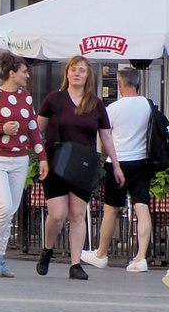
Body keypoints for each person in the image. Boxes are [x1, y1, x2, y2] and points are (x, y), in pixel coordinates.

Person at [38, 55, 120, 279]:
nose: (77, 74)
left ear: (88, 76)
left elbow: (106, 137)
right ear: (67, 73)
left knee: (77, 214)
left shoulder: (95, 104)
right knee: (57, 214)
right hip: (56, 162)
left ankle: (75, 264)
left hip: (82, 165)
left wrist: (116, 165)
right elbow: (37, 130)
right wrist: (40, 157)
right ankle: (48, 249)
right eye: (73, 70)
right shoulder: (54, 99)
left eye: (82, 71)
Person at [0, 53, 48, 278]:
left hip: (20, 159)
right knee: (3, 206)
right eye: (24, 71)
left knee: (11, 209)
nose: (28, 75)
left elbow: (33, 129)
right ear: (12, 73)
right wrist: (0, 129)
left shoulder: (26, 97)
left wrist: (42, 157)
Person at [84, 66, 153, 273]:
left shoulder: (112, 109)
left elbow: (104, 138)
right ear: (137, 83)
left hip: (118, 163)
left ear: (120, 84)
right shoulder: (149, 105)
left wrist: (106, 156)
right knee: (141, 207)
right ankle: (141, 257)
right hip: (142, 162)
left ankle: (101, 254)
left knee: (111, 209)